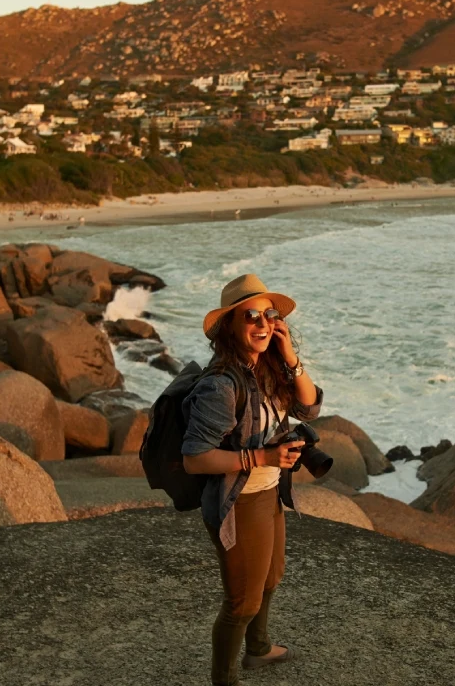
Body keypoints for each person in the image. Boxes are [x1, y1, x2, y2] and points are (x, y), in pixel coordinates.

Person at [181, 274, 323, 686]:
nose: (262, 324)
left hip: (268, 492)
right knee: (241, 601)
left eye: (269, 315)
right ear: (229, 326)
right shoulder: (221, 386)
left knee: (271, 577)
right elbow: (194, 458)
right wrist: (263, 456)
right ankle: (223, 679)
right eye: (250, 316)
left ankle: (258, 649)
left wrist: (288, 352)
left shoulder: (269, 368)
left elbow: (309, 407)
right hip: (238, 501)